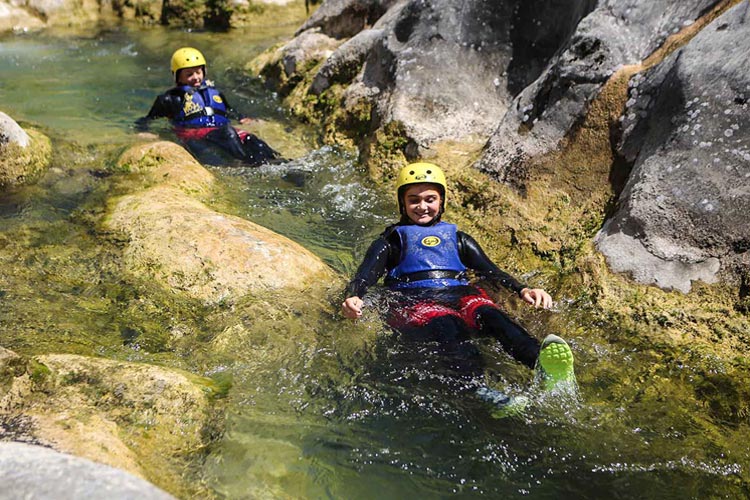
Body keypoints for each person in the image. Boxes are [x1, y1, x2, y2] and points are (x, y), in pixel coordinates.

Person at [341, 162, 577, 393]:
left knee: (493, 316)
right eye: (414, 200)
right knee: (448, 325)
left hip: (461, 296)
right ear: (402, 203)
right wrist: (354, 297)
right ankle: (482, 391)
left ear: (441, 201)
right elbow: (365, 276)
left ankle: (542, 364)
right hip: (417, 302)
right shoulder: (390, 242)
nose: (422, 206)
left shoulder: (459, 239)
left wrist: (523, 289)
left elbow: (491, 271)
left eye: (429, 199)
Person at [135, 47, 282, 166]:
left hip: (220, 129)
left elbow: (228, 110)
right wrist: (143, 131)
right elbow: (147, 119)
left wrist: (242, 118)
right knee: (229, 134)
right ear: (177, 76)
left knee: (254, 141)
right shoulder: (169, 99)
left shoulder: (214, 92)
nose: (196, 77)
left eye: (198, 72)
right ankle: (249, 164)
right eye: (189, 74)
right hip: (195, 134)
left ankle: (281, 163)